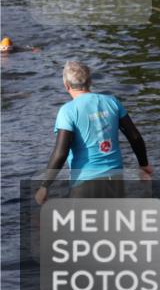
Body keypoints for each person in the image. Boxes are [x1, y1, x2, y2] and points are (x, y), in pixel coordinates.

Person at [35, 61, 152, 204]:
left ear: (66, 85)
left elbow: (61, 153)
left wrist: (45, 185)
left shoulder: (68, 111)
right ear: (90, 81)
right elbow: (134, 136)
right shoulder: (112, 102)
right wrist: (144, 165)